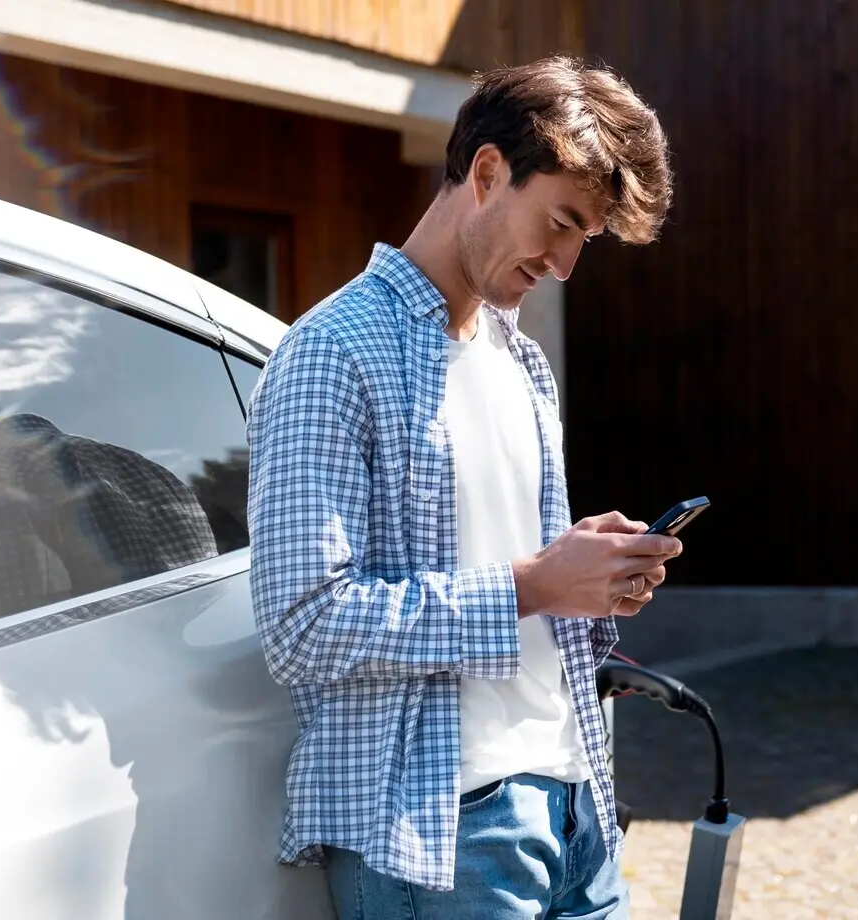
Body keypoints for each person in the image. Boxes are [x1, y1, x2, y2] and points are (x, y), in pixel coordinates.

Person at [247, 55, 677, 919]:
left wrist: (587, 582)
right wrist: (531, 584)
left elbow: (525, 589)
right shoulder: (333, 351)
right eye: (559, 223)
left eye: (582, 239)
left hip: (575, 803)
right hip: (440, 835)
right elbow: (303, 624)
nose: (563, 265)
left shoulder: (523, 363)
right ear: (486, 172)